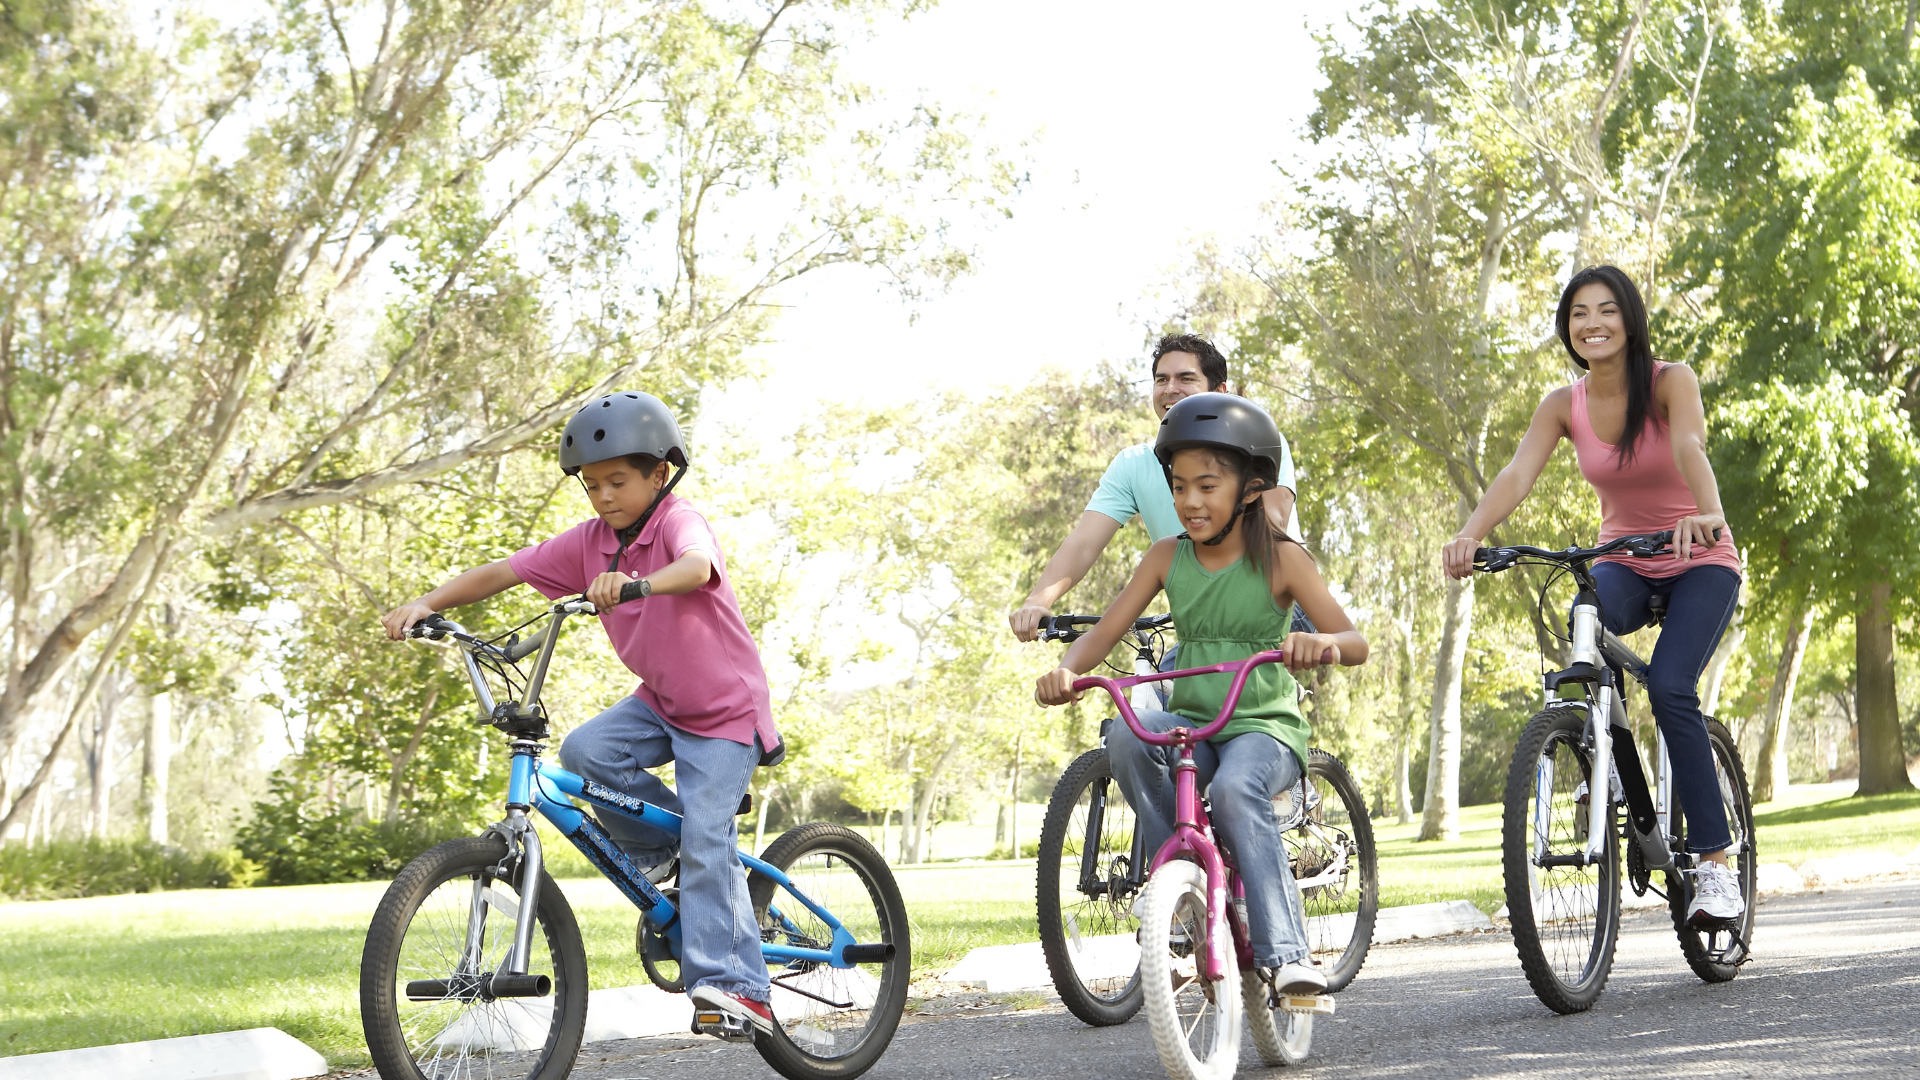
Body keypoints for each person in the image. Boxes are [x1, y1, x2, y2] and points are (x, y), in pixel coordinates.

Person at [380, 390, 783, 1038]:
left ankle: (741, 990)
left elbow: (696, 565)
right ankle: (672, 852)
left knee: (709, 840)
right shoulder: (591, 543)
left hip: (725, 711)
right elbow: (505, 571)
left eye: (617, 481)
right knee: (586, 752)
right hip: (660, 702)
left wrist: (637, 584)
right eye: (592, 485)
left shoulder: (677, 521)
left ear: (659, 473)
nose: (603, 496)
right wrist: (427, 603)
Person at [1033, 393, 1369, 993]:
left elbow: (1355, 641)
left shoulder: (1284, 560)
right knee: (1129, 738)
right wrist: (1066, 670)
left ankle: (1289, 955)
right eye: (1179, 487)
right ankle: (1182, 881)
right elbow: (1106, 632)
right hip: (1195, 722)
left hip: (1263, 728)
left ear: (1250, 487)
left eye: (1207, 486)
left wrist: (1321, 644)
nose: (1190, 502)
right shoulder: (1167, 557)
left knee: (1237, 791)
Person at [1440, 264, 1745, 926]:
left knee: (1671, 686)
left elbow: (1690, 445)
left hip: (1699, 557)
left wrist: (1709, 512)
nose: (1593, 323)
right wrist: (1470, 535)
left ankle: (1716, 865)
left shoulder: (1671, 381)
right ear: (1567, 328)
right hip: (1624, 560)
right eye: (1579, 313)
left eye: (1606, 310)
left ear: (1629, 319)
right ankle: (1600, 760)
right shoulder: (1563, 403)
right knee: (1585, 614)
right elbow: (1518, 473)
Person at [1009, 333, 1301, 642]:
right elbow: (1084, 543)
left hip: (1279, 607)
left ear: (1219, 391)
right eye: (1161, 380)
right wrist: (1038, 600)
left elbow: (1273, 523)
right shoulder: (1133, 464)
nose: (1170, 388)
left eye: (1186, 378)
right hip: (1200, 620)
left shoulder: (1258, 442)